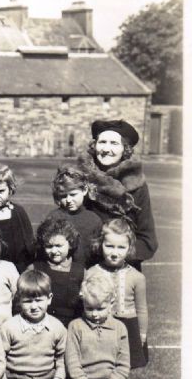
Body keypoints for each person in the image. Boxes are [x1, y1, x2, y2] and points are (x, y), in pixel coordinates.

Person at [78, 119, 157, 269]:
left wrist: (116, 254)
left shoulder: (136, 184)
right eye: (102, 142)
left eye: (114, 143)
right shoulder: (80, 177)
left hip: (124, 267)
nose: (106, 149)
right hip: (86, 265)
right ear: (94, 146)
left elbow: (147, 240)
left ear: (125, 149)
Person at [86, 218, 148, 369]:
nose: (114, 253)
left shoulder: (137, 277)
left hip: (128, 327)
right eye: (109, 246)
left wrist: (142, 334)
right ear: (100, 245)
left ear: (129, 248)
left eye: (121, 247)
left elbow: (142, 309)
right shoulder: (91, 273)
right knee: (103, 363)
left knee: (124, 366)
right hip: (101, 324)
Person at [30, 217, 84, 327]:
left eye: (59, 246)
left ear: (70, 244)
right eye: (49, 246)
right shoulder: (34, 268)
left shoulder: (80, 272)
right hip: (42, 325)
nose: (54, 251)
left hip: (71, 325)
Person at [45, 165, 102, 268]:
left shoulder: (94, 220)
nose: (68, 200)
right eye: (63, 196)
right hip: (59, 271)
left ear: (84, 190)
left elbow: (98, 254)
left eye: (73, 194)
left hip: (87, 272)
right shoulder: (53, 217)